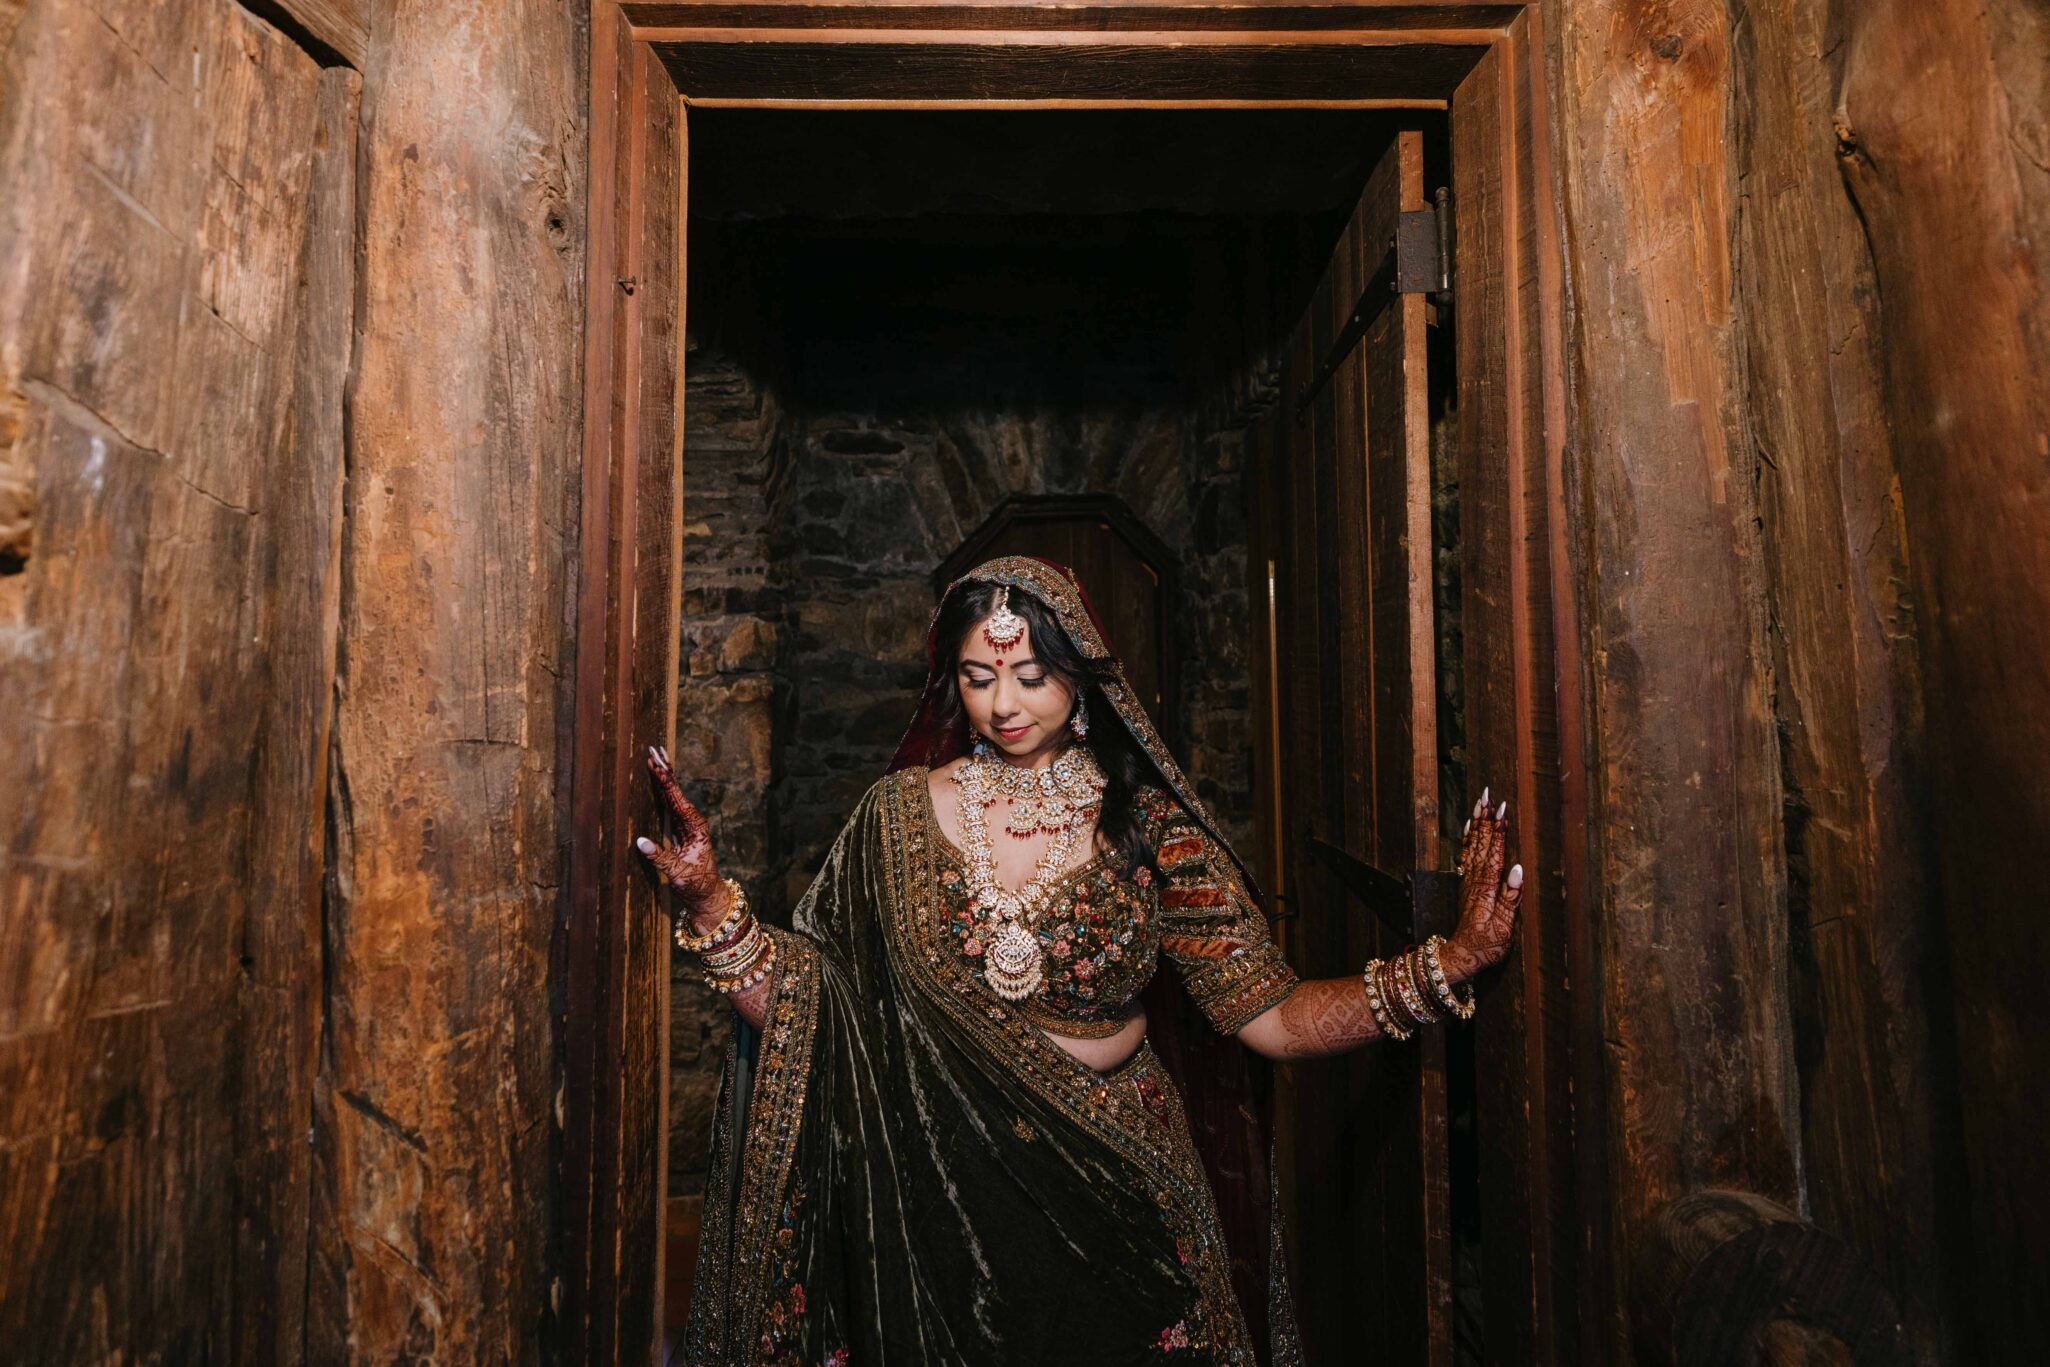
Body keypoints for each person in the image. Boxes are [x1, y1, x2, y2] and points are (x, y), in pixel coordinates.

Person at [636, 555, 1524, 1366]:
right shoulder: (893, 818)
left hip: (1121, 1207)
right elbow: (815, 1014)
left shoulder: (1147, 826)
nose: (1004, 704)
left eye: (1032, 676)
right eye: (980, 678)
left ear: (1083, 680)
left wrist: (1442, 966)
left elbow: (1274, 1017)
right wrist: (710, 899)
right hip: (941, 1225)